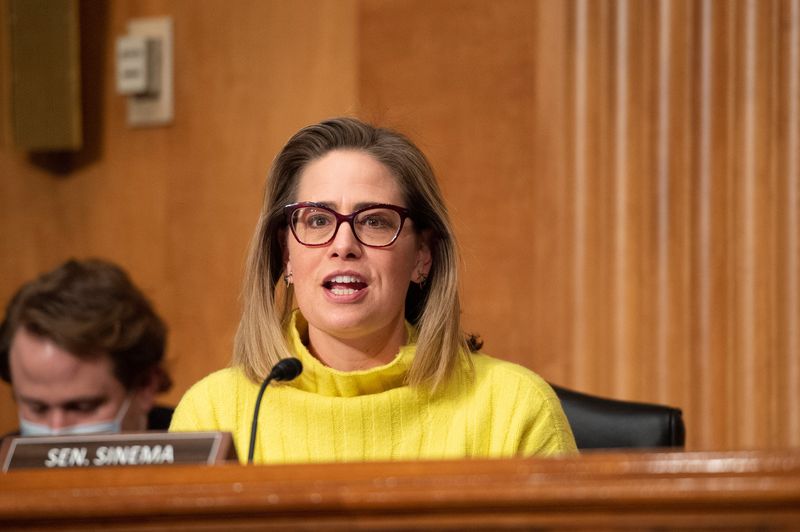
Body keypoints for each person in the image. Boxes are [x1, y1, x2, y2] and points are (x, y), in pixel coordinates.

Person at [170, 117, 576, 463]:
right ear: (286, 254)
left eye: (374, 221)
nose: (343, 244)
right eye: (316, 220)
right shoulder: (214, 413)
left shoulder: (513, 409)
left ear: (422, 255)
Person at [0, 259, 173, 436]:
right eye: (37, 408)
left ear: (146, 386)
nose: (56, 431)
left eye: (83, 407)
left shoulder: (198, 451)